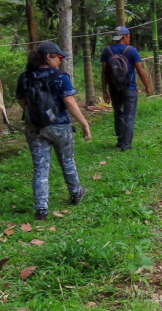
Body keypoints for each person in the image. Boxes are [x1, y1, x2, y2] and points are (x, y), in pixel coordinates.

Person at [16, 41, 91, 221]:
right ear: (48, 57)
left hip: (35, 127)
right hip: (60, 126)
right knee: (67, 160)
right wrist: (84, 123)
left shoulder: (24, 77)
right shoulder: (60, 77)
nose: (61, 60)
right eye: (59, 57)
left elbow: (21, 101)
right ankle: (75, 193)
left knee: (40, 168)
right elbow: (70, 102)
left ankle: (41, 209)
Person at [100, 26, 153, 151]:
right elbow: (140, 71)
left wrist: (105, 91)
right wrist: (147, 86)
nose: (129, 38)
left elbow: (104, 73)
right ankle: (126, 144)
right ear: (124, 36)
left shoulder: (107, 51)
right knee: (129, 115)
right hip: (129, 88)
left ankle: (120, 140)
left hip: (114, 88)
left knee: (118, 113)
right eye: (129, 36)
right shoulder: (131, 51)